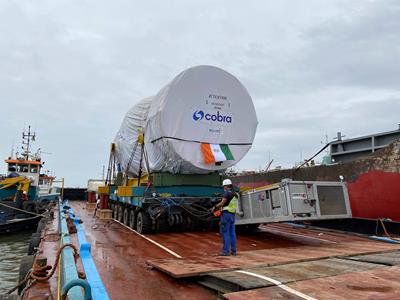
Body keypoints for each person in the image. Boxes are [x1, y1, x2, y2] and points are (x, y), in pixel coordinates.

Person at [211, 179, 238, 256]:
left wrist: (215, 207)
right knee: (232, 233)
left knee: (225, 233)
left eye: (224, 186)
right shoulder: (236, 194)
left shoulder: (226, 194)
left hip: (226, 215)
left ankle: (225, 251)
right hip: (232, 215)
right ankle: (233, 251)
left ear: (226, 186)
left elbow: (223, 203)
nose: (224, 187)